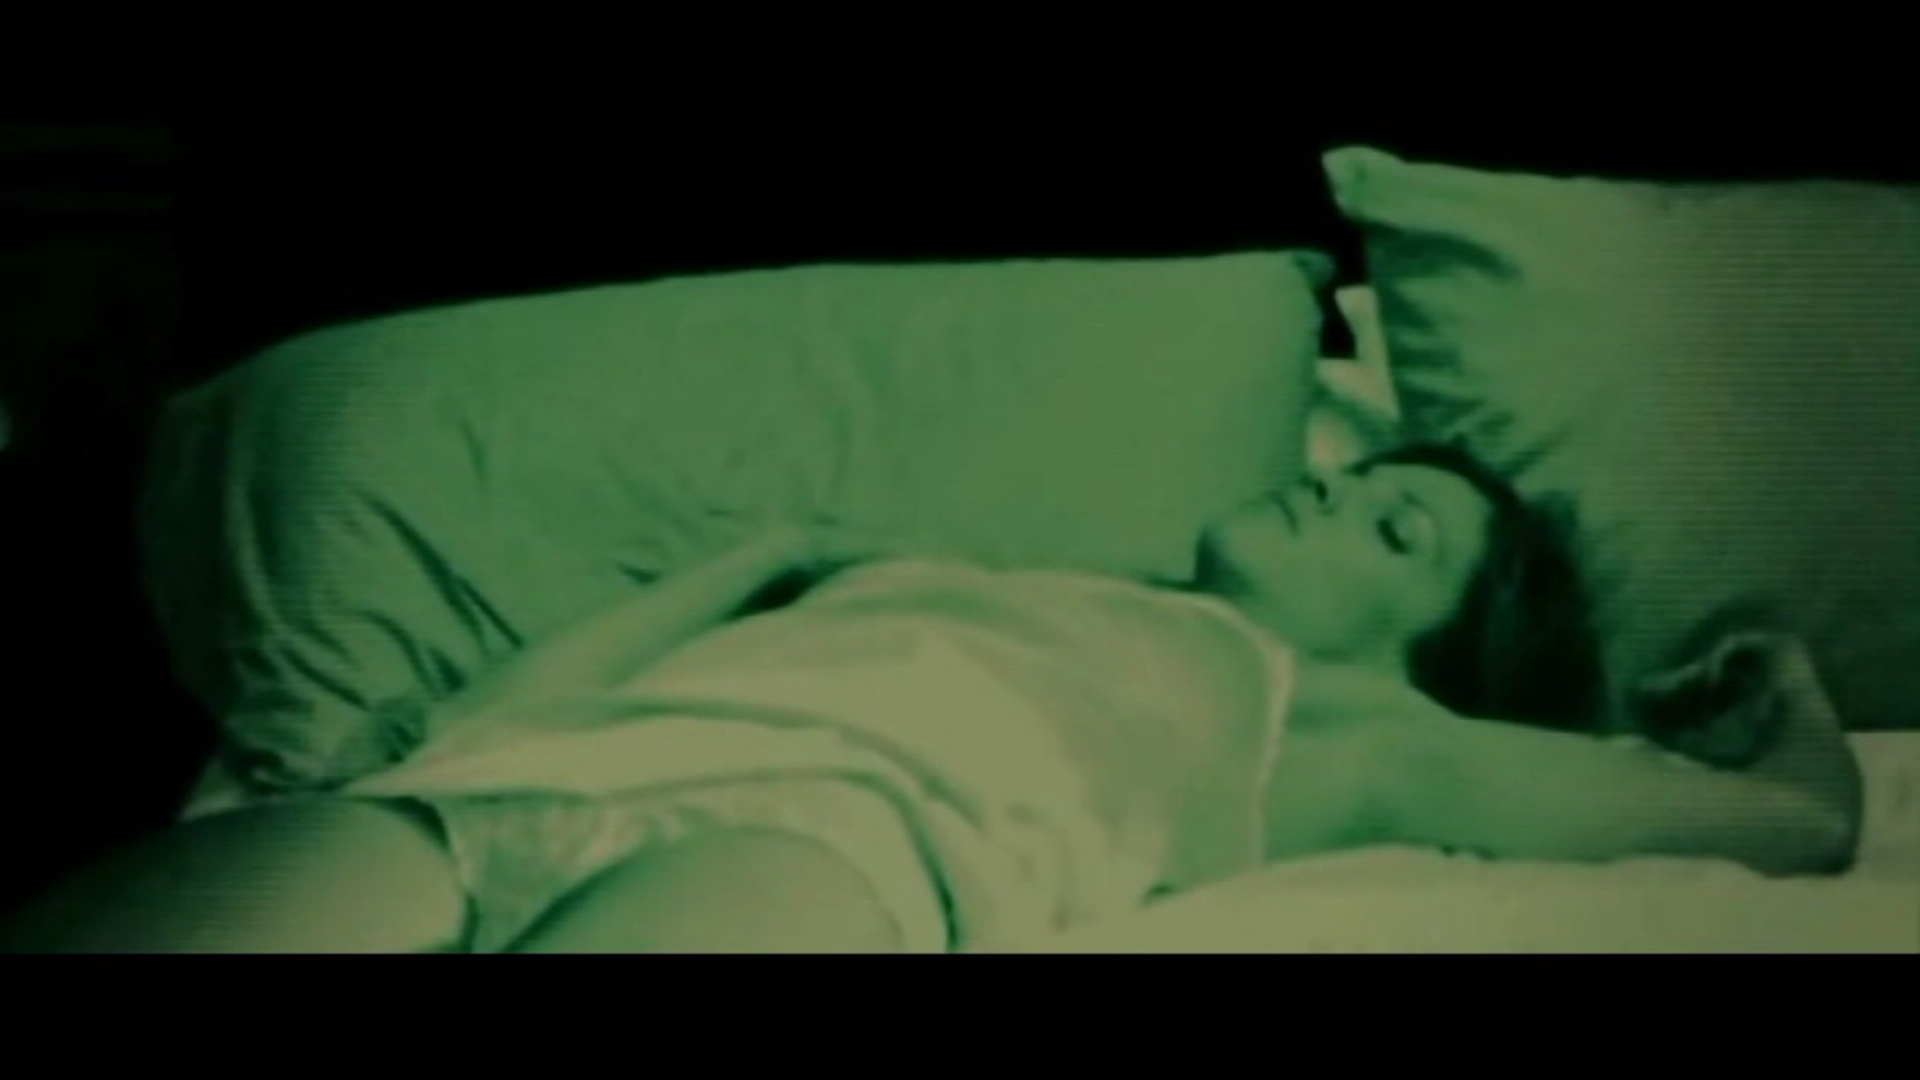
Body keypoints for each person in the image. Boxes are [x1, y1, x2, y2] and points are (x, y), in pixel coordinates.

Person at [0, 444, 1863, 953]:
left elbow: (1793, 827)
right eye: (1364, 474)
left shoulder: (1358, 731)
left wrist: (1783, 686)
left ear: (1429, 650)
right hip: (508, 785)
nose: (1333, 491)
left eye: (1395, 528)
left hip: (816, 849)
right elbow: (497, 713)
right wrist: (768, 556)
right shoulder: (964, 579)